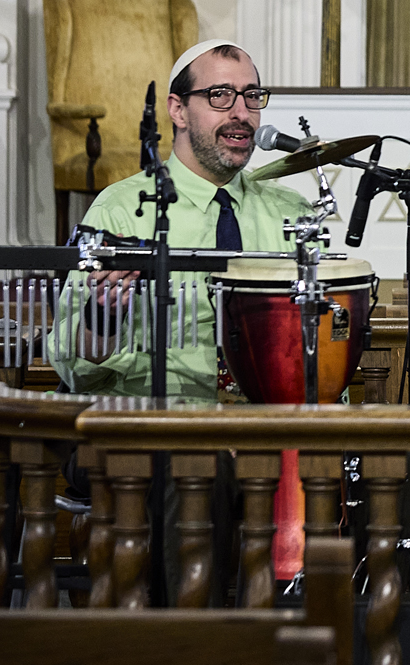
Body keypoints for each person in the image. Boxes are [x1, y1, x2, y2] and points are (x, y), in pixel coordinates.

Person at [52, 39, 310, 400]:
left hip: (268, 429)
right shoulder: (121, 211)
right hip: (158, 430)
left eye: (251, 95)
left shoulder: (291, 212)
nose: (241, 112)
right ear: (178, 110)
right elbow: (74, 369)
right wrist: (103, 315)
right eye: (220, 95)